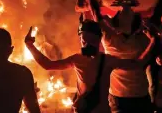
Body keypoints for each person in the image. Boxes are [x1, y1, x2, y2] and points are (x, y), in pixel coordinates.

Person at [25, 18, 154, 113]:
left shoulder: (108, 60)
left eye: (91, 41)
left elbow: (138, 64)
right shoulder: (77, 59)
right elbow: (48, 65)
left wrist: (153, 41)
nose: (86, 44)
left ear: (99, 40)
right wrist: (30, 46)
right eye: (83, 40)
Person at [84, 0, 156, 113]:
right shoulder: (143, 39)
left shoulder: (109, 38)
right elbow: (157, 14)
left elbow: (96, 14)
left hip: (119, 96)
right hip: (138, 94)